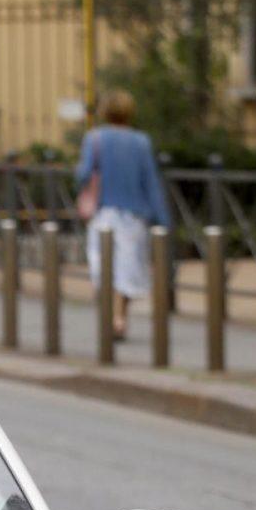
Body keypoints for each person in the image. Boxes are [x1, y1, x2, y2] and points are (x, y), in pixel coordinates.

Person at [76, 92, 172, 342]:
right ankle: (120, 317)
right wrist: (163, 218)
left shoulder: (94, 138)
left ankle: (111, 318)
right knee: (127, 268)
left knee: (104, 266)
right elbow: (150, 181)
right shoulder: (141, 142)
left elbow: (83, 174)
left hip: (103, 213)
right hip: (133, 214)